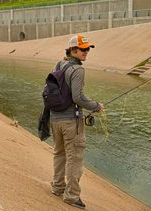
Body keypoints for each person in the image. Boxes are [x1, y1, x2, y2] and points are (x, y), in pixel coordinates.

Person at [50, 34, 104, 210]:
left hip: (55, 120)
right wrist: (96, 106)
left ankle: (58, 187)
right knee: (75, 159)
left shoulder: (59, 64)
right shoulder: (78, 70)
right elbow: (78, 97)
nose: (86, 52)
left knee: (59, 154)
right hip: (71, 122)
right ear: (73, 50)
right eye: (83, 49)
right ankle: (72, 197)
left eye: (88, 49)